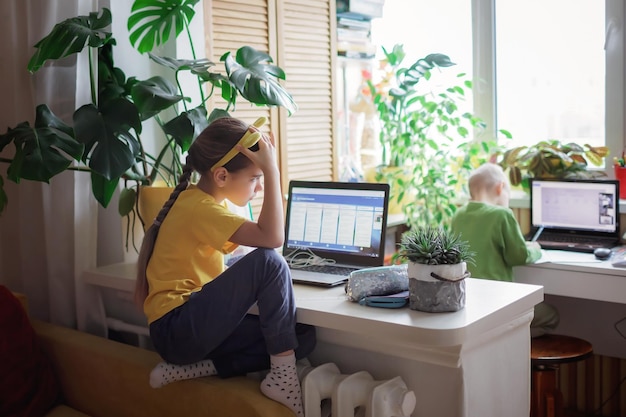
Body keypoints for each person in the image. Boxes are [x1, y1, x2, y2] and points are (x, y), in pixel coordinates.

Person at [134, 117, 316, 416]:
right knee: (271, 261)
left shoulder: (202, 202)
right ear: (221, 176)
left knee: (302, 335)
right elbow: (271, 239)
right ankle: (284, 380)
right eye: (254, 179)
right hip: (177, 328)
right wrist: (271, 170)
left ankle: (195, 368)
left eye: (260, 179)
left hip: (183, 329)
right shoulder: (201, 208)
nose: (257, 188)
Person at [451, 162, 559, 337]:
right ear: (500, 187)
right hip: (500, 302)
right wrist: (536, 249)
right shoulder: (502, 214)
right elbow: (519, 256)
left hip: (471, 302)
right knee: (551, 315)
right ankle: (512, 343)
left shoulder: (459, 215)